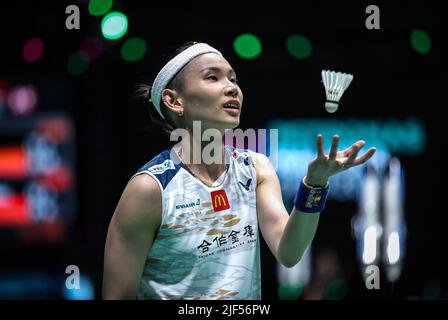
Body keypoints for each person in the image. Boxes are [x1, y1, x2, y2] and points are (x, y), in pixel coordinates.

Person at [102, 42, 376, 300]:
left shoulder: (255, 169)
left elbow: (289, 252)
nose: (232, 88)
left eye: (233, 79)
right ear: (174, 101)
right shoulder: (150, 188)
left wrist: (314, 184)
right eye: (213, 78)